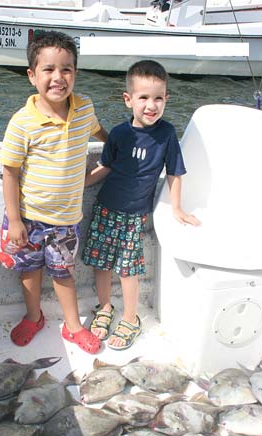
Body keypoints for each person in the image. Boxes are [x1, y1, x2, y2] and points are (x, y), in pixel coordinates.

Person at [0, 30, 107, 354]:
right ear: (32, 76)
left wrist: (115, 145)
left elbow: (98, 130)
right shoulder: (22, 123)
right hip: (28, 219)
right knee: (29, 271)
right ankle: (34, 317)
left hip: (65, 220)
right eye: (48, 69)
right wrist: (14, 220)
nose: (58, 77)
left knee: (63, 274)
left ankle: (73, 327)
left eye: (67, 69)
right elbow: (10, 172)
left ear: (75, 73)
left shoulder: (84, 108)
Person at [82, 59, 200, 350]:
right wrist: (77, 185)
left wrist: (176, 207)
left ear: (166, 100)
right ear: (128, 99)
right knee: (101, 263)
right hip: (105, 208)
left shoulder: (167, 134)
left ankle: (131, 317)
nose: (151, 105)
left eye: (158, 98)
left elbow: (174, 172)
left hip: (134, 216)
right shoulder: (120, 134)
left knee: (128, 269)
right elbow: (105, 168)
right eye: (144, 97)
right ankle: (105, 307)